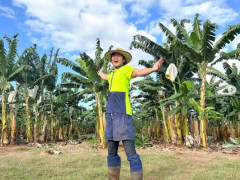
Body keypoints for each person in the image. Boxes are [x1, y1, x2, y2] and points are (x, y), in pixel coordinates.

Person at [98, 48, 163, 180]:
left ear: (123, 59)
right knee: (111, 153)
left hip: (123, 115)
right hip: (110, 115)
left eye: (118, 56)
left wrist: (153, 68)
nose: (115, 57)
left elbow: (139, 72)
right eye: (113, 55)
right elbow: (106, 77)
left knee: (131, 153)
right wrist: (100, 74)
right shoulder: (112, 75)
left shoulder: (126, 70)